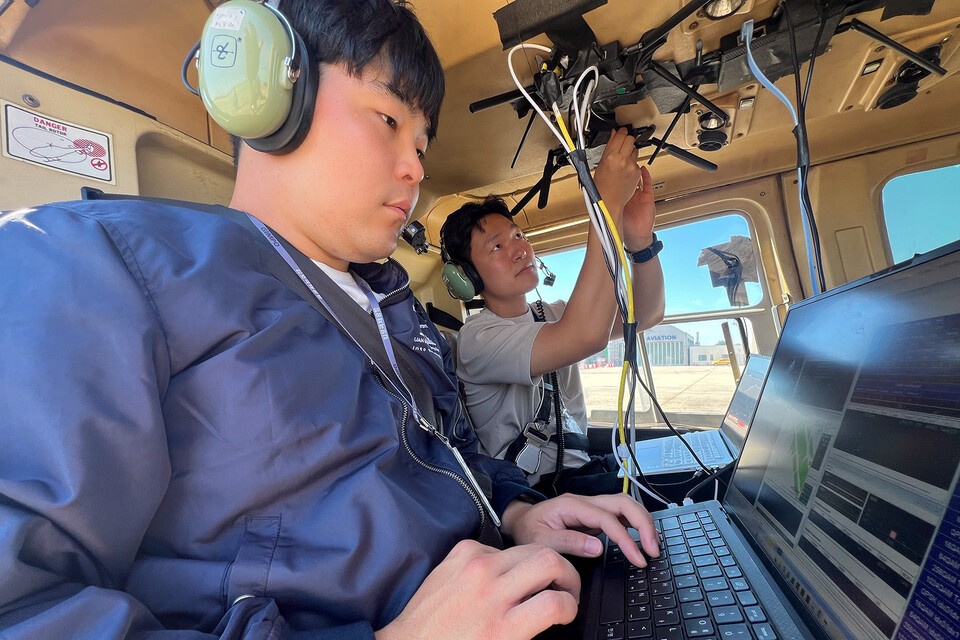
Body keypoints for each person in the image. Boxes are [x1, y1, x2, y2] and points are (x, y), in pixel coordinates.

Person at [0, 1, 660, 639]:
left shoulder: (399, 312)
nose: (413, 166)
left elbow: (458, 458)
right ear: (268, 96)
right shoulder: (98, 264)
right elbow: (21, 608)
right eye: (387, 120)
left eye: (422, 143)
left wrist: (518, 511)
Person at [440, 131, 666, 496]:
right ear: (467, 277)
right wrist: (605, 206)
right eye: (497, 246)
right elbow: (586, 335)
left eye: (517, 236)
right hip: (542, 497)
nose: (518, 250)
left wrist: (639, 242)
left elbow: (649, 313)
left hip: (585, 472)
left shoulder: (553, 313)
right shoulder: (477, 338)